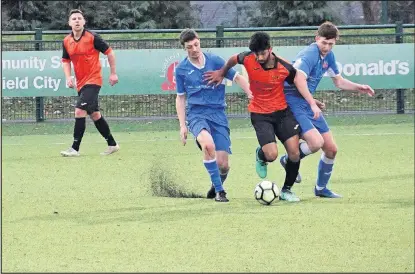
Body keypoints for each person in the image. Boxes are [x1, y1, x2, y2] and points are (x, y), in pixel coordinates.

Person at [204, 32, 322, 202]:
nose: (259, 57)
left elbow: (297, 84)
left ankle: (286, 190)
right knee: (272, 155)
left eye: (262, 53)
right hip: (260, 114)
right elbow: (232, 59)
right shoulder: (248, 58)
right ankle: (261, 155)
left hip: (282, 113)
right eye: (256, 53)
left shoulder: (285, 67)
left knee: (294, 153)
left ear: (270, 49)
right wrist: (222, 72)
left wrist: (311, 101)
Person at [280, 21, 375, 198]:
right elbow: (298, 80)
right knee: (316, 143)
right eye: (324, 42)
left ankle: (321, 189)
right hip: (293, 101)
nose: (326, 47)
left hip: (306, 102)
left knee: (331, 149)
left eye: (331, 44)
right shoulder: (309, 54)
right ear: (317, 38)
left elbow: (338, 81)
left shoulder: (329, 56)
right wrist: (312, 103)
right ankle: (288, 160)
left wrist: (358, 87)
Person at [175, 28, 252, 202]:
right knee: (208, 145)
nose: (194, 49)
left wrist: (250, 94)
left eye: (196, 44)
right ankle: (220, 191)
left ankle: (215, 185)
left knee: (223, 165)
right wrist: (182, 125)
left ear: (199, 41)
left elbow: (238, 78)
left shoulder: (215, 60)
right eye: (189, 47)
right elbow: (180, 98)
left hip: (218, 114)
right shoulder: (181, 70)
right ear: (184, 48)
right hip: (196, 115)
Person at [60, 9, 120, 157]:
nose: (77, 21)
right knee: (95, 115)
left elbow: (110, 53)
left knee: (79, 110)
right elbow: (65, 61)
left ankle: (75, 148)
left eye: (79, 18)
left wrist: (113, 73)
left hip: (93, 80)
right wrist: (68, 77)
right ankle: (112, 144)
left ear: (84, 22)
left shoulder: (92, 37)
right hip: (81, 83)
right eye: (73, 19)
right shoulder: (67, 41)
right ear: (69, 23)